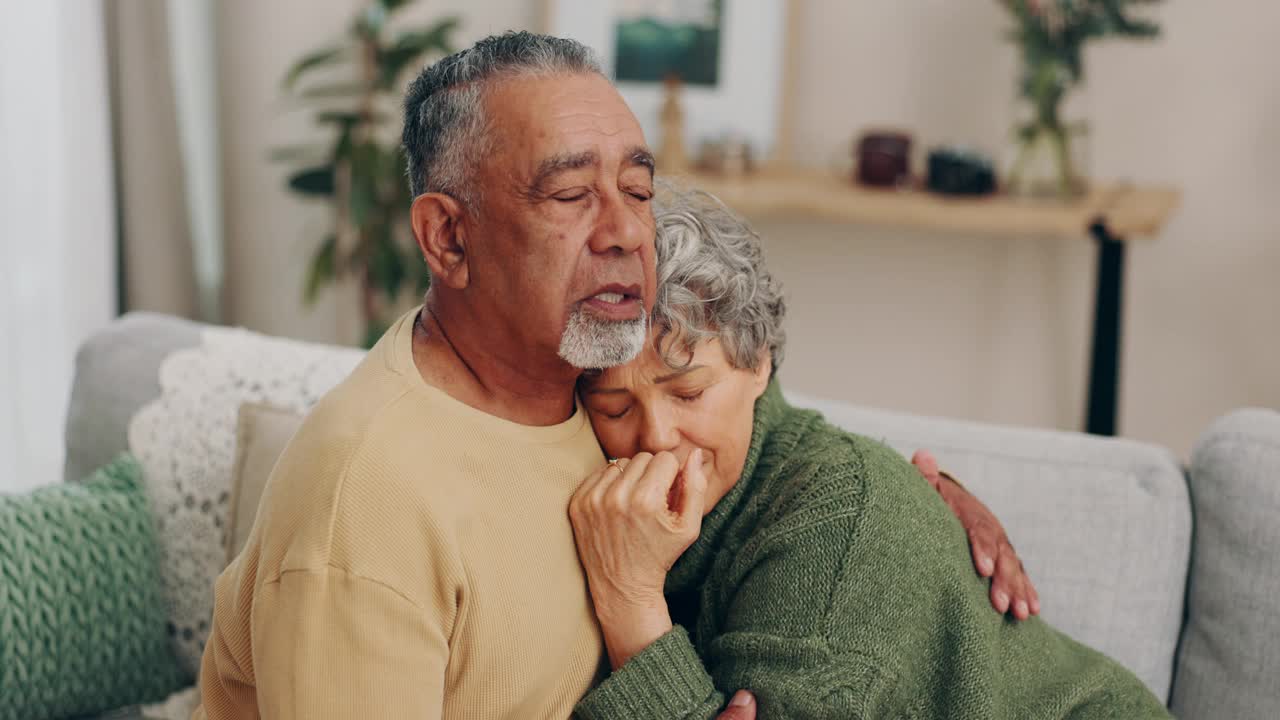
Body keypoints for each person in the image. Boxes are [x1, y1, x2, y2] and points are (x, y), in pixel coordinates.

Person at [194, 32, 1033, 720]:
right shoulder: (368, 511)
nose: (625, 231)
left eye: (636, 187)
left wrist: (917, 489)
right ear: (449, 239)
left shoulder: (573, 378)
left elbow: (737, 402)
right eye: (569, 196)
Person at [568, 189, 1171, 719]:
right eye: (615, 409)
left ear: (758, 364)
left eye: (690, 393)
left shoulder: (832, 535)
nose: (655, 437)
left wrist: (630, 604)